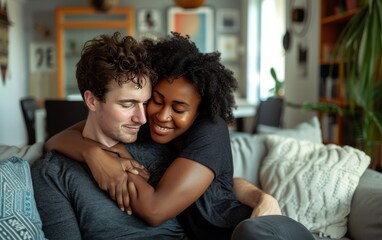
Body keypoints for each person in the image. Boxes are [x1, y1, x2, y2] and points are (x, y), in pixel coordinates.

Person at [43, 32, 314, 240]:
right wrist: (93, 154)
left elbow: (155, 210)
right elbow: (59, 138)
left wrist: (117, 164)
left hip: (255, 231)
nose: (160, 116)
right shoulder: (143, 127)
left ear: (198, 112)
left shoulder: (209, 129)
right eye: (156, 101)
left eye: (180, 108)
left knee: (249, 233)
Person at [31, 32, 185, 239]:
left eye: (145, 103)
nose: (142, 119)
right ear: (92, 101)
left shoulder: (159, 148)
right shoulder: (53, 173)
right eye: (128, 104)